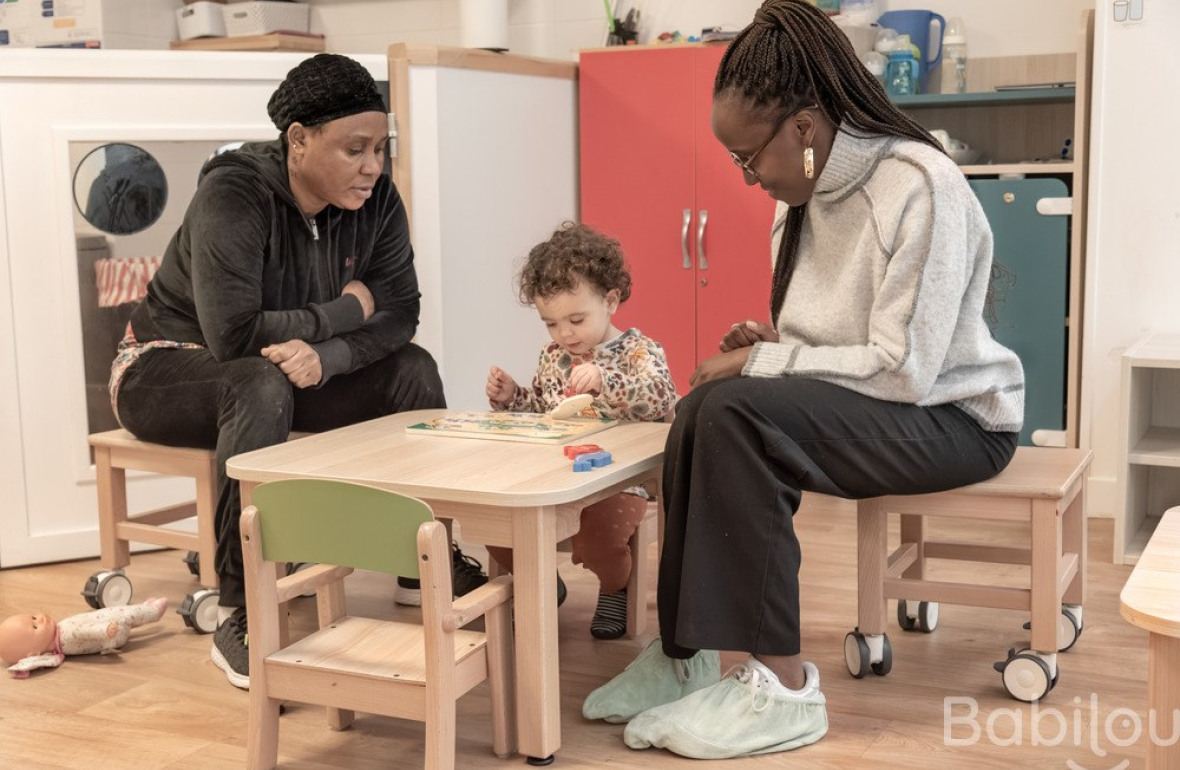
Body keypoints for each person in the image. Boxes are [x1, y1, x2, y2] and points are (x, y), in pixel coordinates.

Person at [582, 0, 1024, 758]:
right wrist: (775, 345)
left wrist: (766, 363)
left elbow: (905, 368)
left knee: (736, 414)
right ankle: (689, 656)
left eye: (749, 157)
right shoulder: (799, 204)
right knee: (703, 408)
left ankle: (783, 688)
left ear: (806, 129)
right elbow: (836, 344)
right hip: (886, 400)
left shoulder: (920, 185)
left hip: (955, 417)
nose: (746, 176)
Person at [108, 54, 485, 691]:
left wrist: (329, 356)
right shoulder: (233, 194)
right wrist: (347, 310)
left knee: (413, 371)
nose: (373, 166)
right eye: (355, 149)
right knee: (257, 380)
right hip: (164, 367)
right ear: (300, 139)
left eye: (381, 149)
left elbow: (401, 312)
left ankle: (421, 559)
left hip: (285, 374)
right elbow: (233, 336)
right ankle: (242, 607)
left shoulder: (376, 198)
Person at [484, 223, 677, 639]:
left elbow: (660, 396)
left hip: (620, 481)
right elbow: (543, 411)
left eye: (575, 319)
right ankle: (541, 581)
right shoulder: (553, 356)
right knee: (496, 525)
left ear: (610, 301)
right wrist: (512, 397)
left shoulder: (638, 351)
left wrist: (607, 380)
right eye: (551, 324)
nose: (564, 334)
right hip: (557, 476)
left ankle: (614, 587)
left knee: (601, 536)